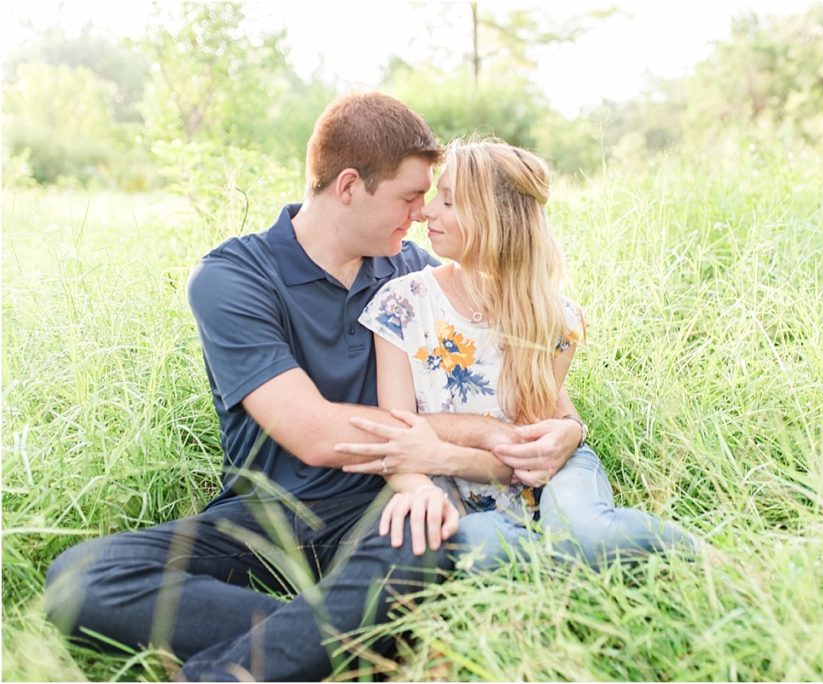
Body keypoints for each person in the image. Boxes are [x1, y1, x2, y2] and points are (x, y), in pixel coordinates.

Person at [43, 94, 585, 682]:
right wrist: (485, 431)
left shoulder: (413, 275)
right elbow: (317, 435)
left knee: (430, 527)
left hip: (384, 506)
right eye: (408, 198)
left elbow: (526, 362)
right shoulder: (233, 277)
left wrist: (567, 429)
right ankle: (353, 642)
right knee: (80, 581)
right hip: (265, 516)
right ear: (349, 186)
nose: (422, 215)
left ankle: (248, 667)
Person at [336, 140, 699, 571]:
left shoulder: (555, 320)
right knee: (484, 548)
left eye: (448, 201)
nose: (427, 211)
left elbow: (530, 452)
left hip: (549, 473)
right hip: (453, 489)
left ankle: (713, 561)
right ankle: (556, 567)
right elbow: (399, 439)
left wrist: (443, 453)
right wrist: (425, 482)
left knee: (588, 534)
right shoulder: (403, 305)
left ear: (495, 221)